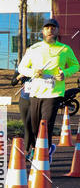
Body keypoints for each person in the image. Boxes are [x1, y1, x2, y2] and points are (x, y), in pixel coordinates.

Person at [19, 17, 79, 161]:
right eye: (47, 28)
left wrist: (65, 73)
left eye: (53, 28)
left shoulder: (65, 49)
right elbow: (21, 68)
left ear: (58, 31)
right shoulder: (34, 49)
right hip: (35, 92)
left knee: (45, 124)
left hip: (54, 92)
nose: (50, 30)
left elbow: (76, 65)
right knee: (34, 126)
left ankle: (45, 153)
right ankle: (36, 149)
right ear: (43, 31)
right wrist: (34, 72)